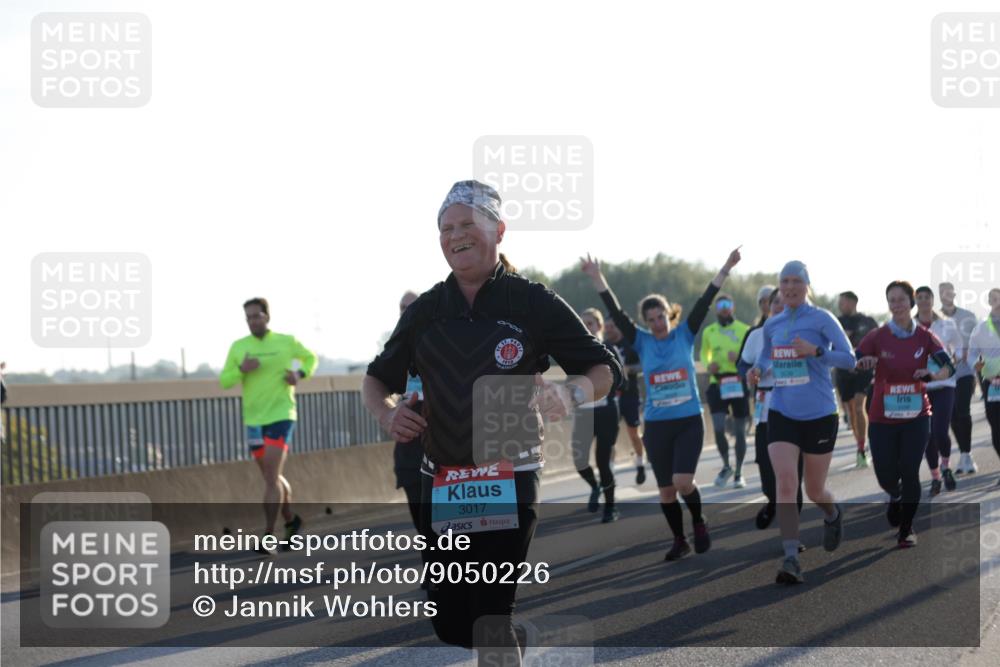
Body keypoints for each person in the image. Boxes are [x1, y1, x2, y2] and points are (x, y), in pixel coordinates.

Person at [363, 180, 621, 663]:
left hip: (510, 472)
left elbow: (606, 367)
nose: (455, 235)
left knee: (489, 614)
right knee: (453, 623)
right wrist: (387, 412)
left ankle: (501, 638)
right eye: (446, 228)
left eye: (467, 224)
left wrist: (574, 391)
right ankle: (507, 640)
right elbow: (377, 378)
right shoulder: (426, 310)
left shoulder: (532, 302)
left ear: (498, 231)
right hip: (442, 478)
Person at [583, 246, 743, 562]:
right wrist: (598, 277)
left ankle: (698, 521)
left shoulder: (685, 333)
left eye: (661, 317)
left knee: (684, 482)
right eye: (651, 319)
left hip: (688, 421)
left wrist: (726, 265)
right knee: (667, 491)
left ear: (669, 314)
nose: (657, 323)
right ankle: (678, 540)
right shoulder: (641, 340)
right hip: (656, 425)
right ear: (645, 321)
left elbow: (706, 298)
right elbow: (615, 313)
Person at [748, 261, 856, 585]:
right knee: (785, 482)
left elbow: (849, 358)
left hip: (820, 413)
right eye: (785, 281)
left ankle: (832, 513)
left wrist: (816, 351)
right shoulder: (773, 324)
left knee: (814, 489)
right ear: (779, 288)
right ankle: (791, 557)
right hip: (781, 410)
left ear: (807, 285)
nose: (790, 286)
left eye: (796, 280)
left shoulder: (822, 318)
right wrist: (755, 370)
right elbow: (766, 358)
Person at [856, 281, 954, 547]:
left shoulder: (925, 336)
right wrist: (864, 363)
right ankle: (895, 495)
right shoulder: (878, 335)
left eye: (901, 299)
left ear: (911, 303)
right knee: (885, 474)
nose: (896, 304)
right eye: (891, 300)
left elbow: (949, 367)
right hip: (881, 417)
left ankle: (907, 529)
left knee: (910, 470)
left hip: (916, 415)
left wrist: (932, 374)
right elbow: (857, 357)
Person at [220, 298, 317, 555]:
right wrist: (241, 369)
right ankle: (291, 520)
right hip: (254, 420)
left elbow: (310, 359)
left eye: (256, 316)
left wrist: (298, 374)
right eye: (248, 317)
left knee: (272, 477)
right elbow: (224, 381)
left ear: (267, 317)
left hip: (281, 415)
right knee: (271, 478)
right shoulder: (239, 347)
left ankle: (268, 535)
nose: (253, 321)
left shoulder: (286, 342)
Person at [740, 289, 805, 536]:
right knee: (767, 473)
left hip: (795, 410)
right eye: (773, 302)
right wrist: (751, 372)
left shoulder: (803, 332)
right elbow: (743, 363)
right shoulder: (757, 335)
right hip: (765, 408)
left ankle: (792, 536)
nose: (778, 306)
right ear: (767, 306)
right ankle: (772, 500)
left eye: (782, 301)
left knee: (791, 477)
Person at [571, 308, 623, 522]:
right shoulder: (574, 350)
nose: (586, 327)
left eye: (590, 323)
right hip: (584, 414)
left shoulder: (608, 348)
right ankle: (595, 486)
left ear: (600, 326)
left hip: (606, 413)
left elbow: (621, 380)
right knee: (579, 460)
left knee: (603, 462)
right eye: (583, 324)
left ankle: (610, 508)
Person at [915, 286, 962, 495]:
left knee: (940, 431)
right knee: (927, 435)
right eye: (920, 298)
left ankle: (946, 466)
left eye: (927, 297)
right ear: (915, 301)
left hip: (944, 385)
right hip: (921, 387)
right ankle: (935, 476)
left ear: (933, 300)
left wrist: (952, 360)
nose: (924, 301)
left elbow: (959, 349)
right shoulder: (910, 327)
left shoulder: (946, 324)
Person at [701, 294, 751, 488]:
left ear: (733, 307)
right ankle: (726, 466)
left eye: (727, 304)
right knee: (719, 428)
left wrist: (738, 358)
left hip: (737, 381)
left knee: (739, 431)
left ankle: (739, 472)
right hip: (718, 382)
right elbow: (704, 354)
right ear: (716, 308)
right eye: (720, 305)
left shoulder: (744, 329)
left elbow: (750, 355)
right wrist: (708, 364)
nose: (724, 308)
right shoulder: (709, 331)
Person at [939, 282, 981, 474]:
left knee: (963, 409)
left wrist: (968, 355)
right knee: (952, 415)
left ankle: (967, 455)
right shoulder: (935, 318)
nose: (945, 295)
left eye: (948, 292)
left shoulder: (968, 316)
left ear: (954, 294)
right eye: (941, 293)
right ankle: (964, 453)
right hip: (945, 375)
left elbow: (978, 341)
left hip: (965, 371)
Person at [835, 291, 879, 468]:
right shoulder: (836, 322)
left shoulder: (867, 322)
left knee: (860, 407)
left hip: (863, 371)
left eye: (843, 302)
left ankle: (862, 448)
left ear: (853, 302)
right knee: (851, 411)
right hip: (844, 372)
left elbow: (879, 342)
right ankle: (859, 445)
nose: (840, 305)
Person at [394, 291, 425, 532]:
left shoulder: (445, 338)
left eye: (412, 306)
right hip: (409, 444)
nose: (407, 311)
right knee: (424, 528)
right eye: (402, 307)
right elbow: (377, 386)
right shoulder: (394, 348)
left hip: (444, 441)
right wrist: (390, 410)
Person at [603, 318, 647, 485]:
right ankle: (610, 472)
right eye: (606, 327)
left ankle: (640, 463)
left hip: (630, 395)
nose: (609, 330)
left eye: (612, 326)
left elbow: (644, 365)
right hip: (611, 396)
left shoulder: (630, 344)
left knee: (634, 434)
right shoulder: (603, 345)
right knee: (609, 437)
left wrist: (630, 369)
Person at [968, 287, 1000, 483]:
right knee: (996, 428)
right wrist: (975, 363)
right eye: (993, 299)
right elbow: (972, 353)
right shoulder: (980, 328)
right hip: (992, 384)